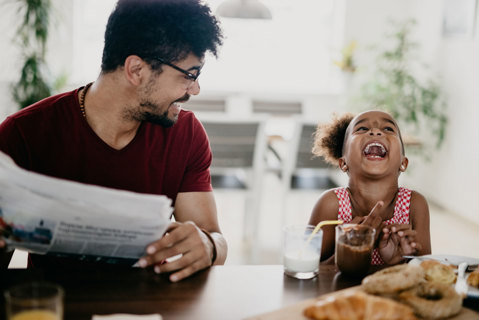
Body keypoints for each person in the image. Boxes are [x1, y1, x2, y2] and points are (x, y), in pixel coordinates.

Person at [0, 0, 227, 282]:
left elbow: (212, 235)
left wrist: (209, 245)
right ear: (136, 70)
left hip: (150, 305)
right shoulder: (23, 134)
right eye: (189, 75)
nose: (195, 88)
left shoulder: (187, 133)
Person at [308, 110, 431, 265]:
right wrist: (350, 250)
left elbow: (426, 272)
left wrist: (396, 263)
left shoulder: (415, 205)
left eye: (388, 129)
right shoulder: (330, 204)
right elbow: (307, 272)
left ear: (403, 163)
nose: (375, 131)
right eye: (362, 129)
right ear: (343, 163)